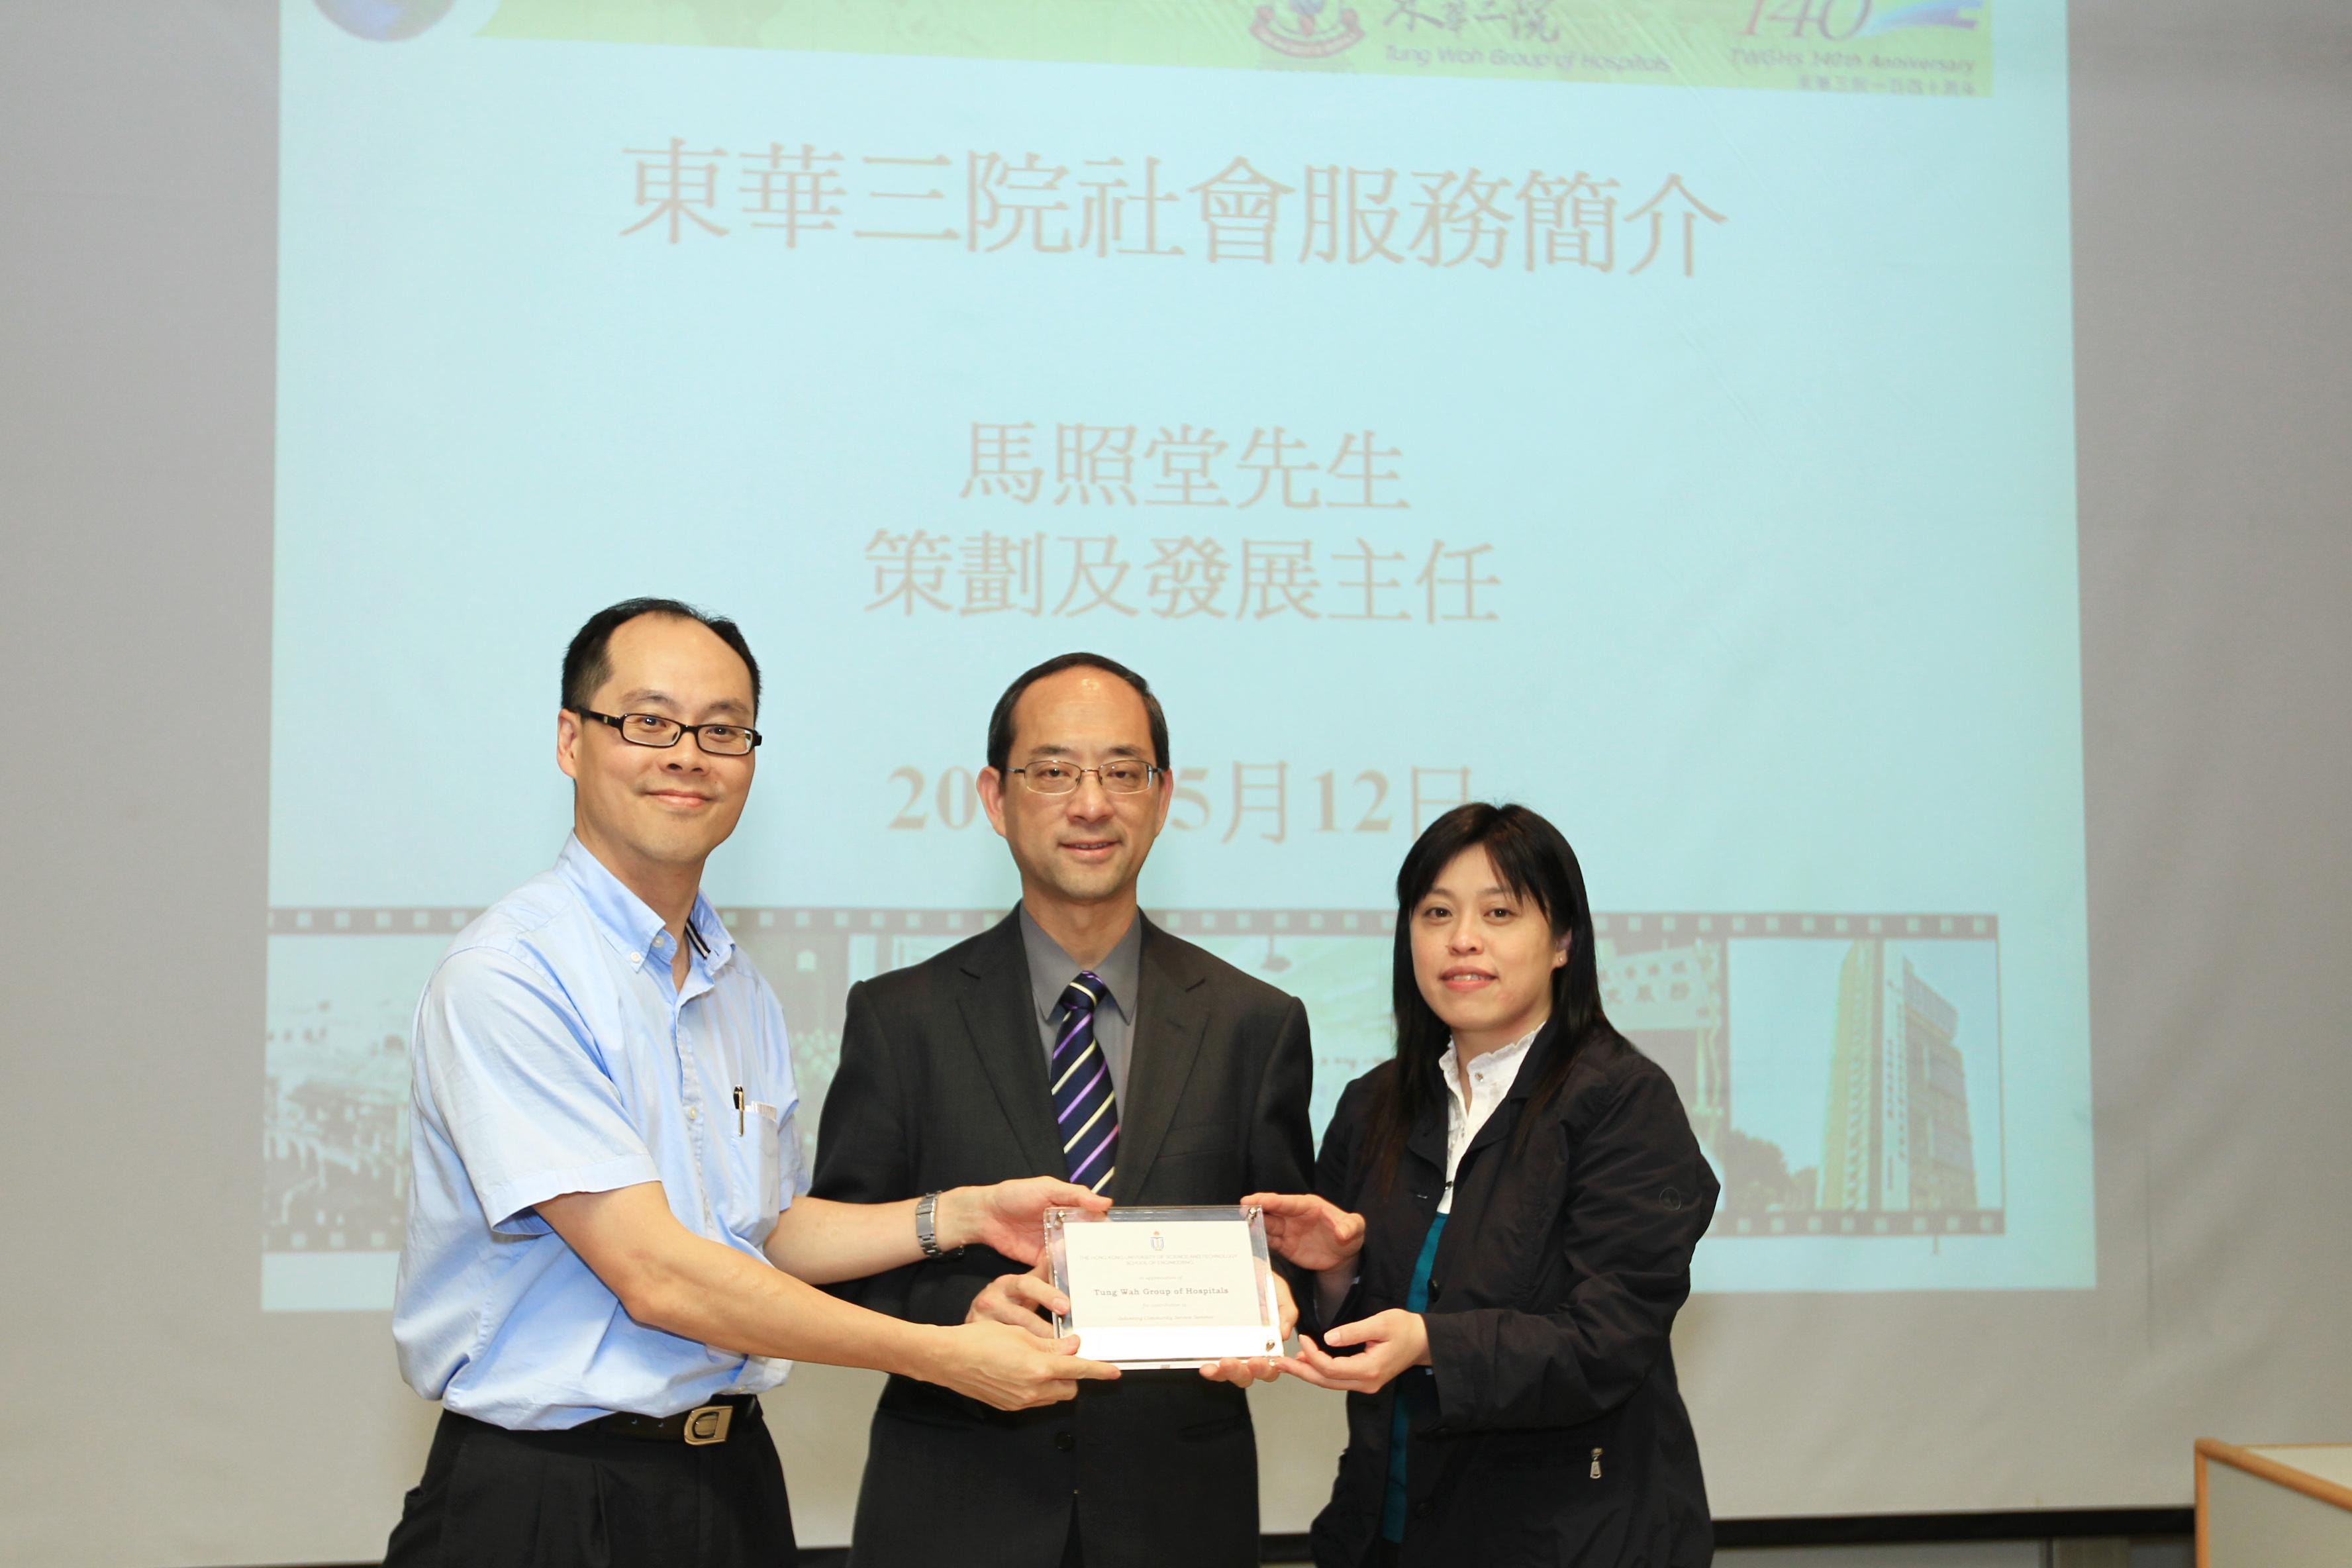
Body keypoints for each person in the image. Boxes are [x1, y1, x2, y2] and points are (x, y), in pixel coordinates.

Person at [384, 600, 1120, 1568]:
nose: (689, 754)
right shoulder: (513, 975)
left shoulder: (738, 985)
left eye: (723, 730)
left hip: (729, 1484)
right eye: (648, 722)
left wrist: (966, 1214)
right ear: (572, 740)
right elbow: (655, 1273)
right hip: (548, 1497)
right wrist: (941, 1355)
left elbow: (765, 1233)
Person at [812, 652, 1317, 1568]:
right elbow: (838, 1258)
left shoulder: (1256, 1023)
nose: (1092, 803)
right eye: (1053, 772)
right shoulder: (900, 1019)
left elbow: (1288, 1247)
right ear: (996, 799)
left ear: (1163, 798)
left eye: (1124, 772)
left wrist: (1287, 1298)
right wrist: (963, 1308)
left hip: (1178, 1520)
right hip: (955, 1512)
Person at [1248, 803, 1718, 1568]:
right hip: (1385, 1526)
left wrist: (1432, 1342)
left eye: (1499, 911)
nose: (1463, 938)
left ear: (1564, 939)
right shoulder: (1375, 1104)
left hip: (1572, 1537)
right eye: (1437, 912)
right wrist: (1331, 1271)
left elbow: (1609, 1339)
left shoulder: (1624, 1101)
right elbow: (1360, 1333)